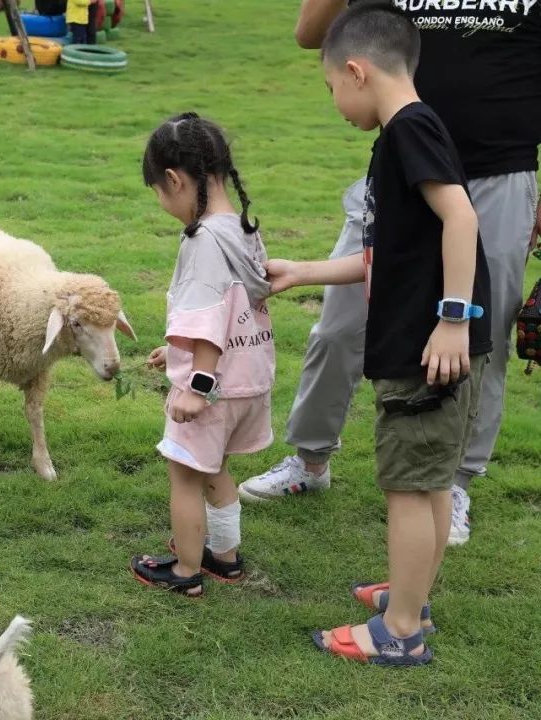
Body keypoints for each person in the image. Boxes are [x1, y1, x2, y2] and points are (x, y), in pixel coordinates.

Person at [240, 0, 541, 547]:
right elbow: (312, 34)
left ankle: (454, 484)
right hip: (402, 167)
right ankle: (310, 459)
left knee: (482, 338)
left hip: (501, 172)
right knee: (336, 327)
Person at [271, 4, 491, 663]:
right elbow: (388, 251)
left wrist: (453, 320)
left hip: (426, 350)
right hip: (428, 345)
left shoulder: (409, 131)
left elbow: (462, 218)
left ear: (358, 71)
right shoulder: (407, 134)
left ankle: (399, 632)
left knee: (408, 485)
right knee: (424, 482)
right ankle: (410, 594)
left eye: (332, 86)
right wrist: (305, 271)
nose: (335, 101)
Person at [129, 113, 273, 598]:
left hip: (214, 385)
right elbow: (233, 307)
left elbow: (209, 317)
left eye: (159, 192)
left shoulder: (202, 240)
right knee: (215, 469)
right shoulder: (243, 228)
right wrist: (174, 349)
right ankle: (225, 557)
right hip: (249, 377)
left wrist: (198, 384)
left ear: (174, 180)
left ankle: (187, 570)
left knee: (185, 474)